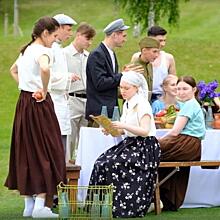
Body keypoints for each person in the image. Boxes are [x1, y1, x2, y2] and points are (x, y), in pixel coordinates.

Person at [4, 16, 66, 218]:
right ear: (45, 33)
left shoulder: (27, 49)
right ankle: (40, 205)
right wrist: (44, 90)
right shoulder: (43, 51)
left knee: (27, 149)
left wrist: (25, 86)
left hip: (24, 103)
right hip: (39, 104)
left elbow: (12, 70)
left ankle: (29, 204)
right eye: (55, 36)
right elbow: (45, 68)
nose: (56, 40)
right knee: (47, 149)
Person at [89, 71, 160, 218]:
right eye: (121, 88)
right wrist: (112, 129)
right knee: (101, 162)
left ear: (136, 88)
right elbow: (125, 130)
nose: (123, 91)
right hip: (131, 143)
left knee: (113, 163)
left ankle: (123, 206)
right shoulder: (128, 103)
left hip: (145, 147)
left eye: (126, 88)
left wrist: (123, 126)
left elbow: (145, 131)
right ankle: (100, 206)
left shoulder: (142, 104)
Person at [158, 76, 206, 211]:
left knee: (151, 151)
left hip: (186, 144)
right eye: (178, 89)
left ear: (194, 90)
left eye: (185, 88)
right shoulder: (190, 104)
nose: (181, 92)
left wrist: (159, 141)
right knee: (161, 160)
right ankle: (164, 199)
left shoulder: (190, 105)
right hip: (190, 145)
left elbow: (175, 131)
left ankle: (151, 197)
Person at [85, 18, 129, 125]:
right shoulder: (97, 54)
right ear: (114, 35)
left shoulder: (111, 53)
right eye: (123, 36)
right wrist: (123, 75)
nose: (125, 39)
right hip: (99, 114)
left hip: (110, 112)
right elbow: (100, 83)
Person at [63, 22, 96, 161]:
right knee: (70, 137)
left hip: (88, 100)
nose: (90, 42)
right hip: (72, 99)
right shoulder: (63, 54)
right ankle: (66, 171)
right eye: (87, 38)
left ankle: (83, 170)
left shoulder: (89, 56)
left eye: (91, 39)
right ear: (78, 35)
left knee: (85, 139)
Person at [51, 13, 77, 154]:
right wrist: (67, 77)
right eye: (68, 29)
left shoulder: (57, 48)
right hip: (54, 100)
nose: (70, 34)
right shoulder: (50, 49)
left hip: (61, 100)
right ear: (58, 28)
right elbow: (45, 76)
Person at [131, 26, 176, 102]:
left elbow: (173, 80)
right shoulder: (137, 57)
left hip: (161, 97)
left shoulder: (168, 58)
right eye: (160, 41)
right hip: (143, 96)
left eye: (164, 40)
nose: (163, 44)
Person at [130, 36, 160, 101]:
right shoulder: (134, 67)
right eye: (154, 52)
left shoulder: (149, 65)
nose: (157, 55)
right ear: (144, 51)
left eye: (158, 52)